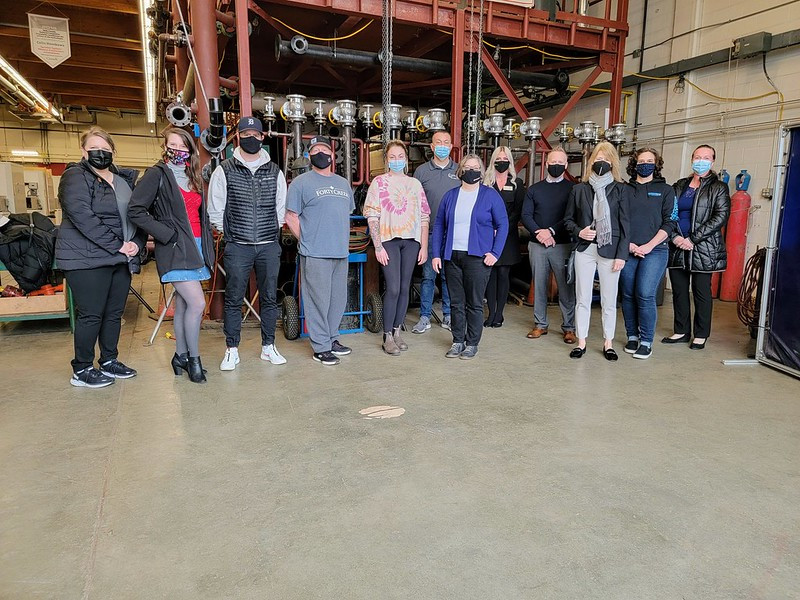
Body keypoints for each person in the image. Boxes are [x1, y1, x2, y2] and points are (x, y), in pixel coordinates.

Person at [55, 126, 144, 388]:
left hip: (118, 258)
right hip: (86, 259)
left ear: (113, 152)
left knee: (113, 314)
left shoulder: (123, 180)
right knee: (91, 314)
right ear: (83, 151)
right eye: (94, 148)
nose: (100, 153)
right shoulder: (75, 177)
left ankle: (108, 361)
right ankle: (81, 369)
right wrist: (119, 245)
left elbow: (135, 217)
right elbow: (83, 217)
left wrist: (136, 244)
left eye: (106, 150)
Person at [129, 127, 214, 383]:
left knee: (184, 305)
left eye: (183, 146)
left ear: (190, 150)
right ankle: (194, 360)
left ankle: (180, 356)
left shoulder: (193, 177)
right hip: (175, 248)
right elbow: (135, 210)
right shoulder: (157, 175)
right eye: (172, 145)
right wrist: (164, 233)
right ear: (165, 147)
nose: (178, 150)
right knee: (198, 304)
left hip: (196, 246)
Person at [207, 116, 287, 371]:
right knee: (233, 298)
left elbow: (281, 207)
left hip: (268, 244)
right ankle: (232, 349)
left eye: (255, 134)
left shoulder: (275, 171)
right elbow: (216, 207)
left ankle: (268, 347)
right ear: (238, 137)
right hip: (237, 245)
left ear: (263, 137)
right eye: (246, 134)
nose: (251, 138)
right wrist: (227, 232)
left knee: (269, 297)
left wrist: (274, 231)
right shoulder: (225, 169)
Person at [285, 135, 355, 366]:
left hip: (340, 251)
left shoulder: (343, 183)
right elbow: (291, 217)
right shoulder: (301, 183)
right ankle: (321, 347)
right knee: (318, 301)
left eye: (324, 150)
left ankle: (332, 338)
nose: (320, 154)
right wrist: (307, 240)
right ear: (309, 156)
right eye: (315, 151)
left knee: (337, 300)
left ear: (333, 155)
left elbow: (345, 215)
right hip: (315, 252)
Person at [431, 154, 508, 360]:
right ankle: (457, 340)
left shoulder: (489, 195)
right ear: (460, 170)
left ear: (481, 172)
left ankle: (472, 343)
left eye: (475, 167)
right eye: (467, 166)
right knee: (456, 302)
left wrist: (495, 252)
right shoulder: (450, 195)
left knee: (474, 302)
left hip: (477, 258)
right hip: (452, 257)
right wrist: (436, 254)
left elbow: (503, 225)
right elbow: (439, 225)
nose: (471, 170)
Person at [563, 141, 630, 361]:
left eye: (606, 159)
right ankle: (581, 342)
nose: (602, 163)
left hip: (611, 250)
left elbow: (625, 225)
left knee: (609, 301)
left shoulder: (621, 189)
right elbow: (568, 220)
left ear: (613, 163)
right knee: (582, 298)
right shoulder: (579, 189)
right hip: (585, 249)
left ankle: (608, 343)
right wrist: (579, 232)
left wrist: (622, 255)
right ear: (591, 162)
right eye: (598, 159)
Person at [363, 140, 431, 355]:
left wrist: (424, 246)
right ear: (386, 160)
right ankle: (387, 336)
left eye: (400, 156)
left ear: (406, 159)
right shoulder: (379, 182)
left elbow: (424, 216)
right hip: (389, 240)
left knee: (404, 288)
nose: (396, 160)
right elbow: (372, 215)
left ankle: (397, 331)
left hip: (411, 241)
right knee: (392, 288)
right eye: (392, 157)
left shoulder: (414, 184)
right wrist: (378, 246)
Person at [662, 144, 730, 350]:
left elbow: (721, 216)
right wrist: (674, 237)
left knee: (701, 292)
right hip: (677, 246)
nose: (701, 161)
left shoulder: (718, 187)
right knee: (679, 291)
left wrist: (692, 239)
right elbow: (668, 213)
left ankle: (701, 334)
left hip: (703, 248)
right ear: (692, 159)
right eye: (697, 157)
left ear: (712, 161)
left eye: (706, 157)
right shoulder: (679, 185)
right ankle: (681, 331)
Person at [619, 148, 677, 360]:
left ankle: (646, 341)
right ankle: (632, 336)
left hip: (655, 250)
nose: (645, 164)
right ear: (634, 164)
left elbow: (670, 222)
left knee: (644, 293)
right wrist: (630, 245)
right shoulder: (624, 190)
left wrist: (649, 246)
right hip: (629, 249)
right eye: (641, 161)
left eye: (649, 161)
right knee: (627, 294)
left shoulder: (666, 190)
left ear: (656, 164)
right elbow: (618, 220)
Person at [521, 146, 577, 343]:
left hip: (562, 244)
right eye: (552, 163)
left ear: (566, 165)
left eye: (560, 163)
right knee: (539, 284)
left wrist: (551, 231)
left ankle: (569, 327)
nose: (556, 166)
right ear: (546, 164)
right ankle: (540, 324)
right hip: (537, 244)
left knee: (565, 287)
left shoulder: (573, 189)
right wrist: (540, 233)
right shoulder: (535, 189)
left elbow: (571, 217)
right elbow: (526, 215)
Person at [411, 130, 460, 334]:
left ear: (451, 147)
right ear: (431, 147)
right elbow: (414, 204)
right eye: (438, 142)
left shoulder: (459, 170)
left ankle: (448, 315)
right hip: (429, 233)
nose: (442, 145)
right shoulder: (421, 172)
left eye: (446, 142)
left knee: (449, 276)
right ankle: (425, 316)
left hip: (453, 234)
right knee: (428, 276)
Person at [483, 146, 523, 328]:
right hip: (488, 235)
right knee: (490, 274)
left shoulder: (517, 183)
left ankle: (499, 314)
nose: (501, 161)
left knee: (503, 273)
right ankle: (491, 312)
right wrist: (491, 228)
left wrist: (503, 228)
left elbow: (518, 210)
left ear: (510, 161)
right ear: (493, 161)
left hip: (508, 236)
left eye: (505, 158)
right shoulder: (486, 183)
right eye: (498, 158)